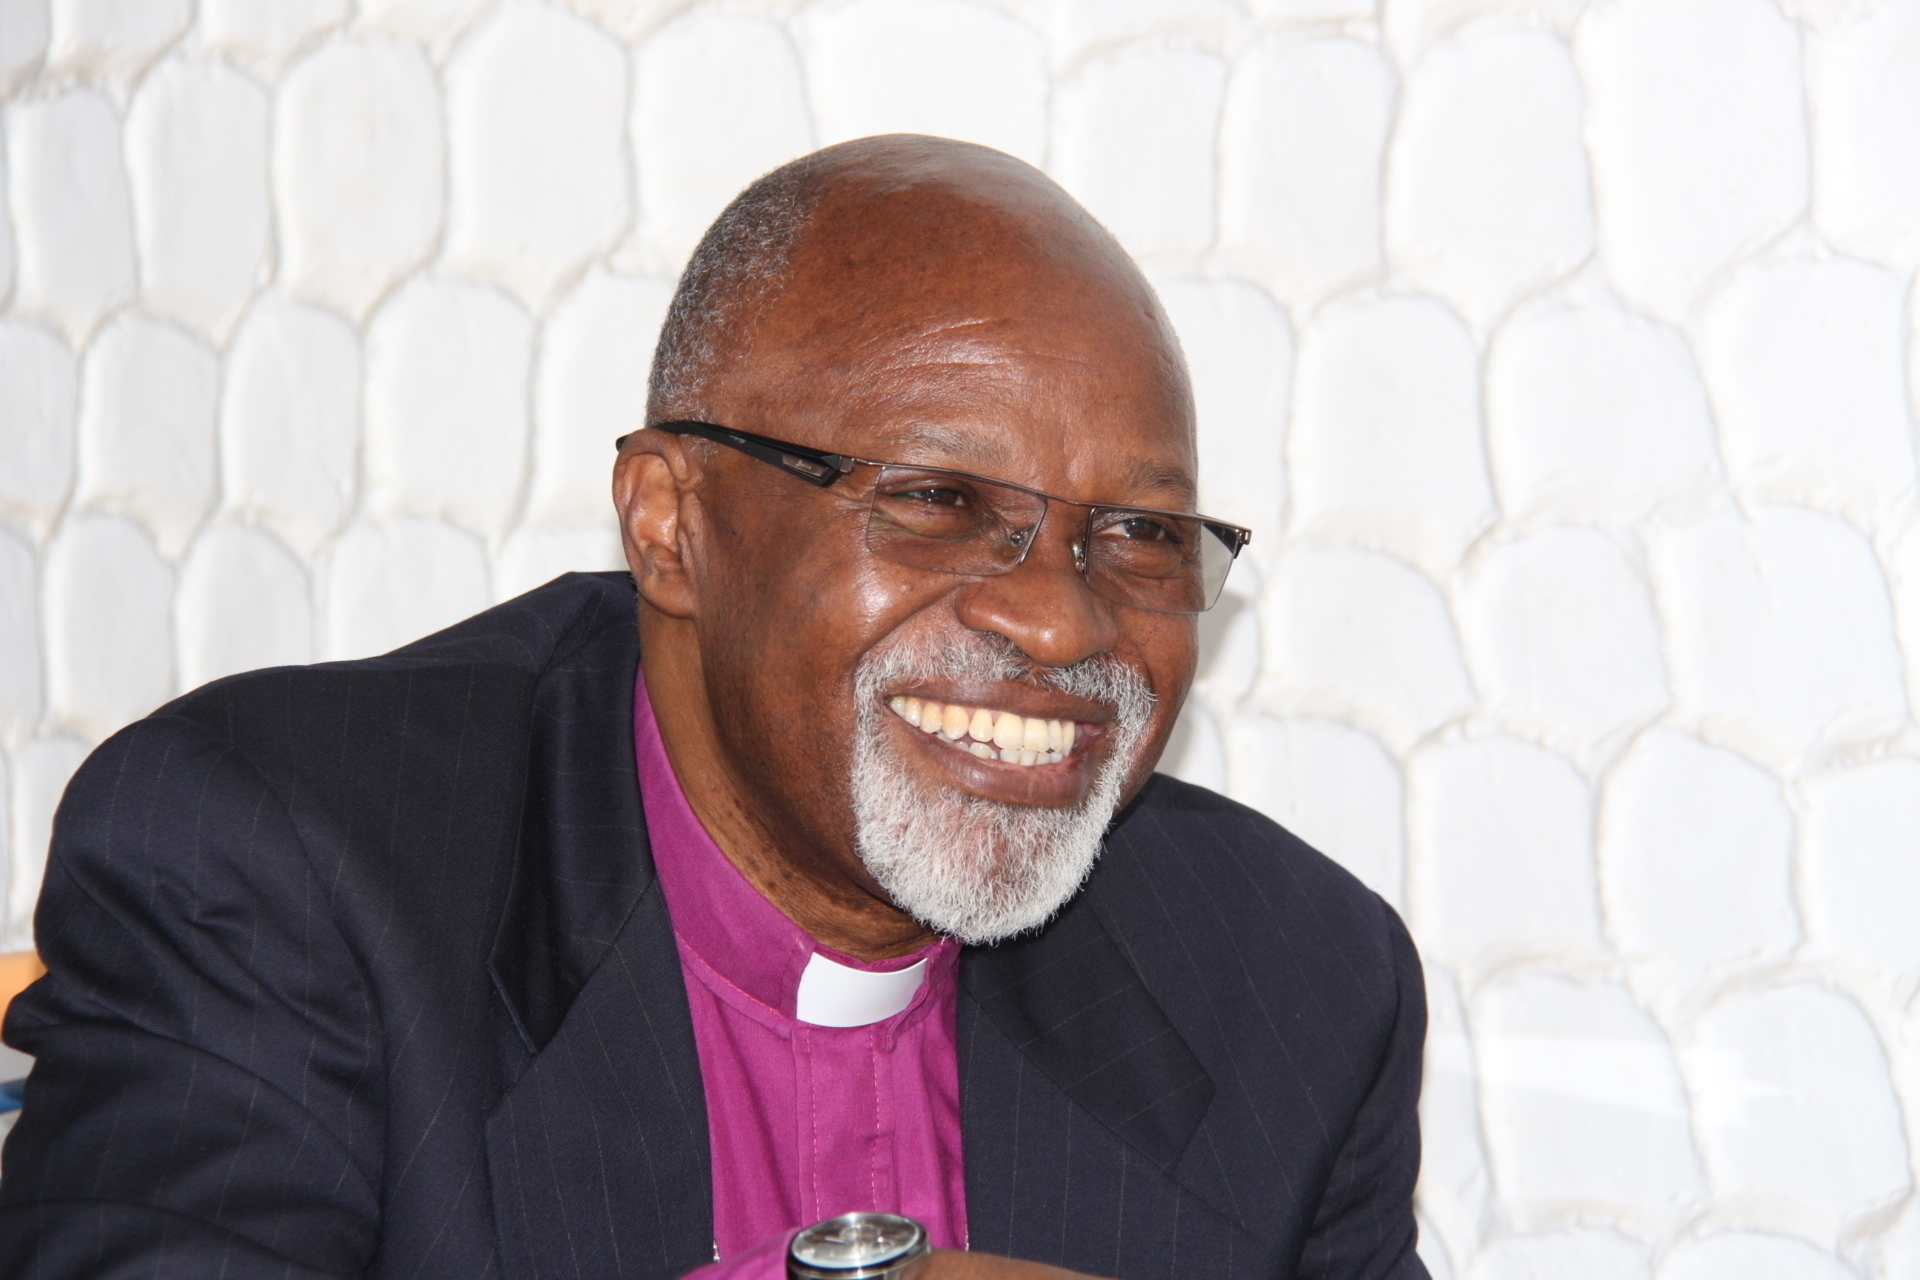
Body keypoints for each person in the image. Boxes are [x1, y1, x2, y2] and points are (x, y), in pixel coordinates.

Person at [0, 135, 1427, 1280]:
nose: (1063, 618)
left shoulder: (1295, 988)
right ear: (672, 527)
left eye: (1139, 534)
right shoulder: (277, 866)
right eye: (937, 500)